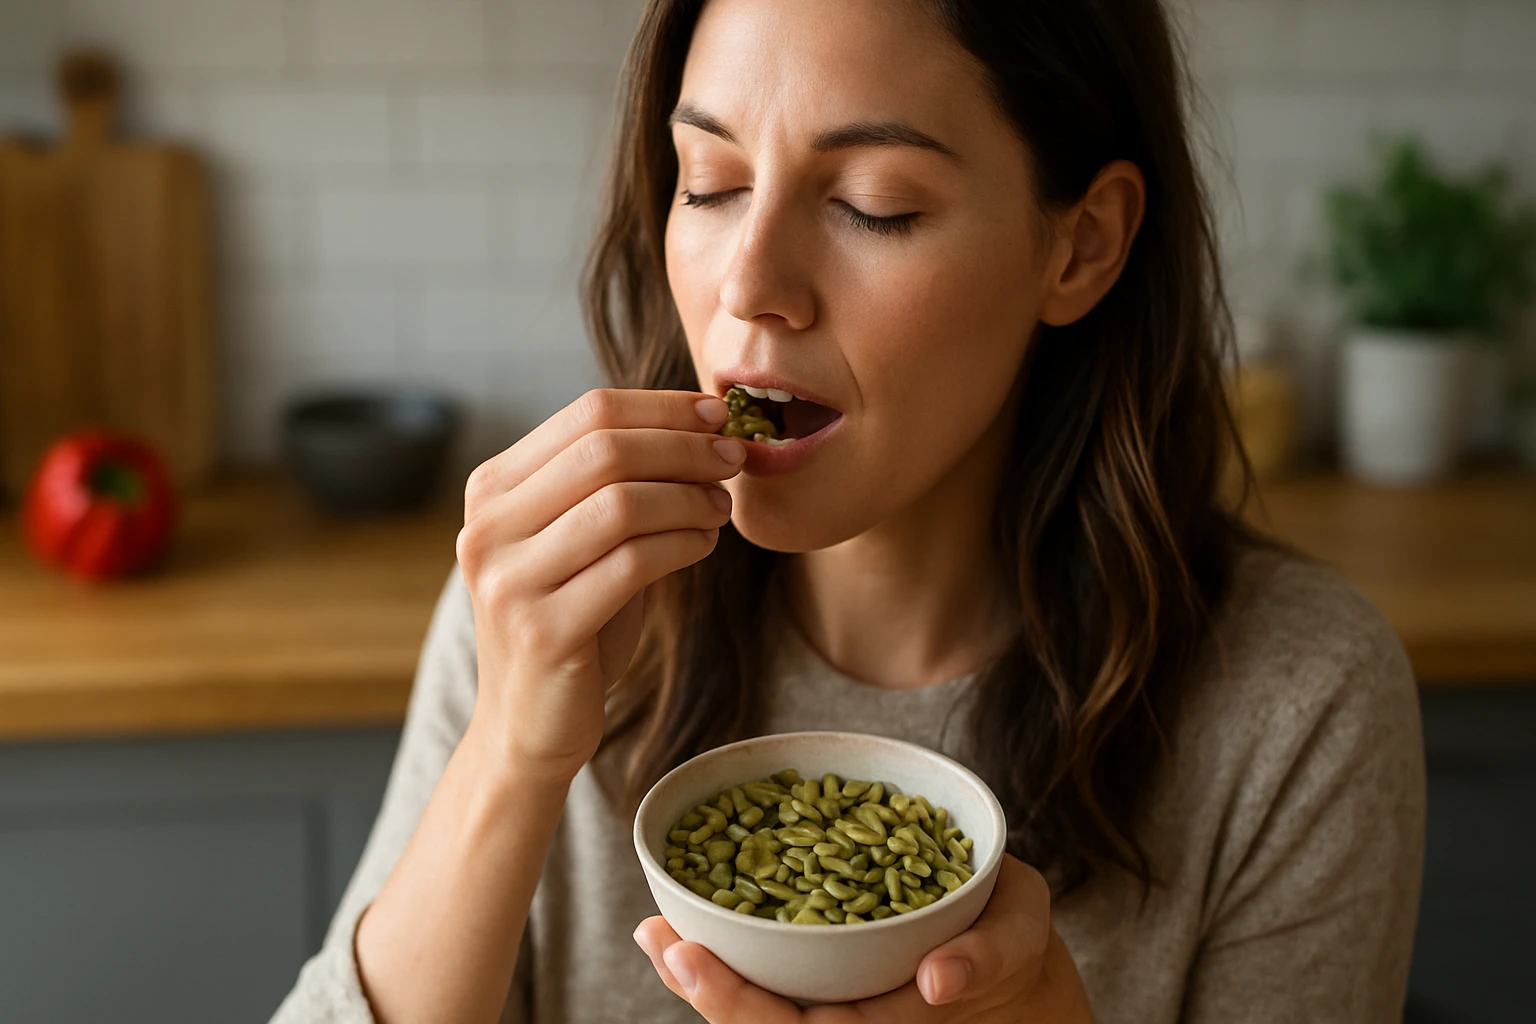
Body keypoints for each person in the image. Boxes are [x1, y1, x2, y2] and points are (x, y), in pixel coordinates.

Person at [271, 0, 1425, 1021]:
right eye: (710, 184)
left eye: (874, 206)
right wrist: (512, 751)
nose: (748, 285)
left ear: (1082, 245)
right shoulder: (553, 603)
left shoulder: (1294, 703)